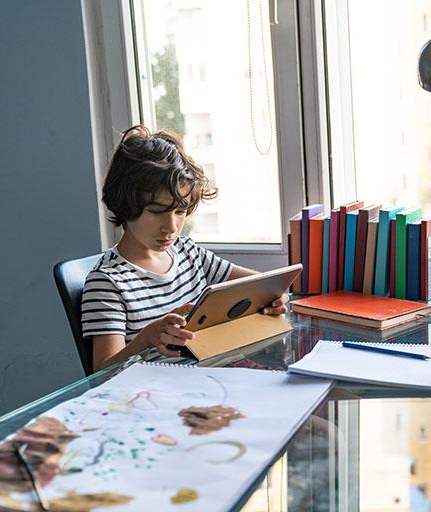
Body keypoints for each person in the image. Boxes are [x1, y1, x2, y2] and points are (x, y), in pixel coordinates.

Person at [81, 125, 288, 372]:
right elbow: (101, 374)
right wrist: (146, 340)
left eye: (180, 212)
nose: (170, 227)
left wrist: (273, 299)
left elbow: (261, 285)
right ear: (124, 205)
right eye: (157, 211)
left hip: (211, 377)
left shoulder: (188, 253)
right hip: (157, 396)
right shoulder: (107, 282)